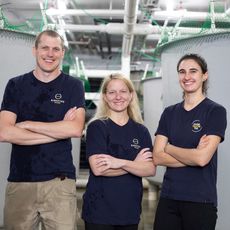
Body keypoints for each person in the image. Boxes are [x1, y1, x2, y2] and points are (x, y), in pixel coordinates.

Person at [0, 30, 85, 230]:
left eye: (56, 49)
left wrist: (28, 124)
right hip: (21, 181)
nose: (50, 53)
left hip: (60, 183)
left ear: (63, 53)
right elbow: (4, 132)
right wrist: (57, 130)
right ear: (34, 50)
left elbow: (74, 129)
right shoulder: (15, 85)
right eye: (45, 47)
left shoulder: (73, 86)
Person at [153, 53, 227, 230]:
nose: (187, 77)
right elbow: (157, 157)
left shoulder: (215, 112)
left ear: (204, 75)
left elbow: (202, 159)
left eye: (193, 71)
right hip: (169, 199)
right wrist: (192, 154)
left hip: (200, 201)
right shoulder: (169, 113)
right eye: (182, 72)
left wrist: (168, 147)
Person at [81, 73, 156, 230]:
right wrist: (135, 165)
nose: (118, 97)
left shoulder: (141, 131)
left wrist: (119, 162)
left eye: (123, 91)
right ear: (105, 97)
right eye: (112, 92)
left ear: (131, 95)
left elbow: (150, 169)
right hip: (99, 211)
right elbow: (99, 169)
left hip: (129, 211)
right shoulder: (97, 127)